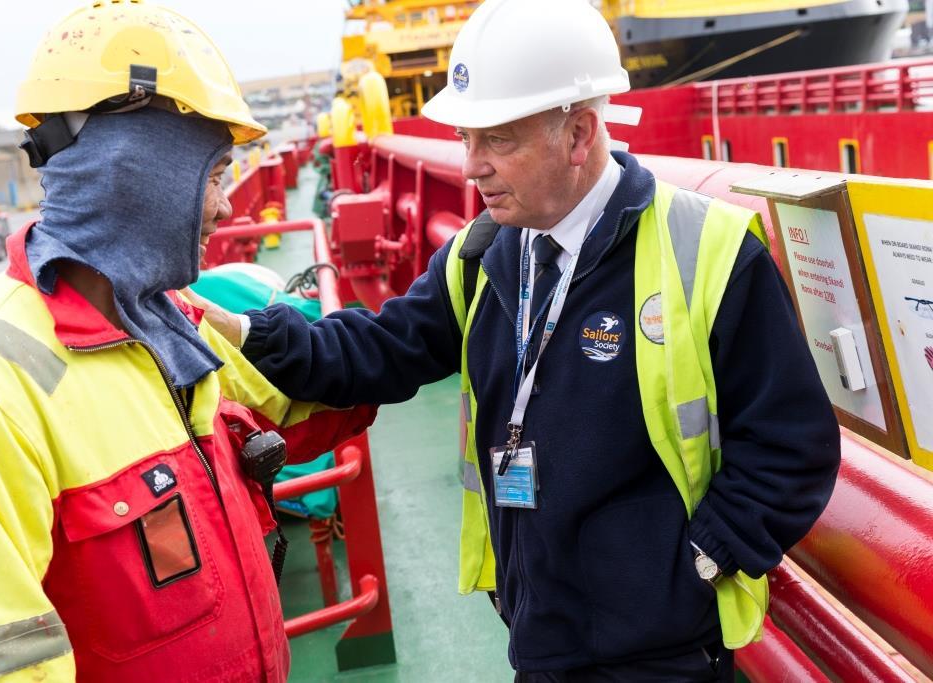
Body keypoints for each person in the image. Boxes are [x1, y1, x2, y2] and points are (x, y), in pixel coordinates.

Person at [198, 0, 843, 680]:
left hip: (660, 654)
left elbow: (793, 444)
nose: (472, 166)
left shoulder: (707, 253)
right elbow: (382, 350)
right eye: (466, 138)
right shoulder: (487, 256)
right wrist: (241, 329)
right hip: (538, 631)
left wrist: (696, 562)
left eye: (497, 140)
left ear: (580, 134)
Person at [0, 3, 374, 681]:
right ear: (134, 172)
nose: (226, 207)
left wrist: (448, 325)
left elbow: (305, 408)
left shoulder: (167, 318)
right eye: (213, 176)